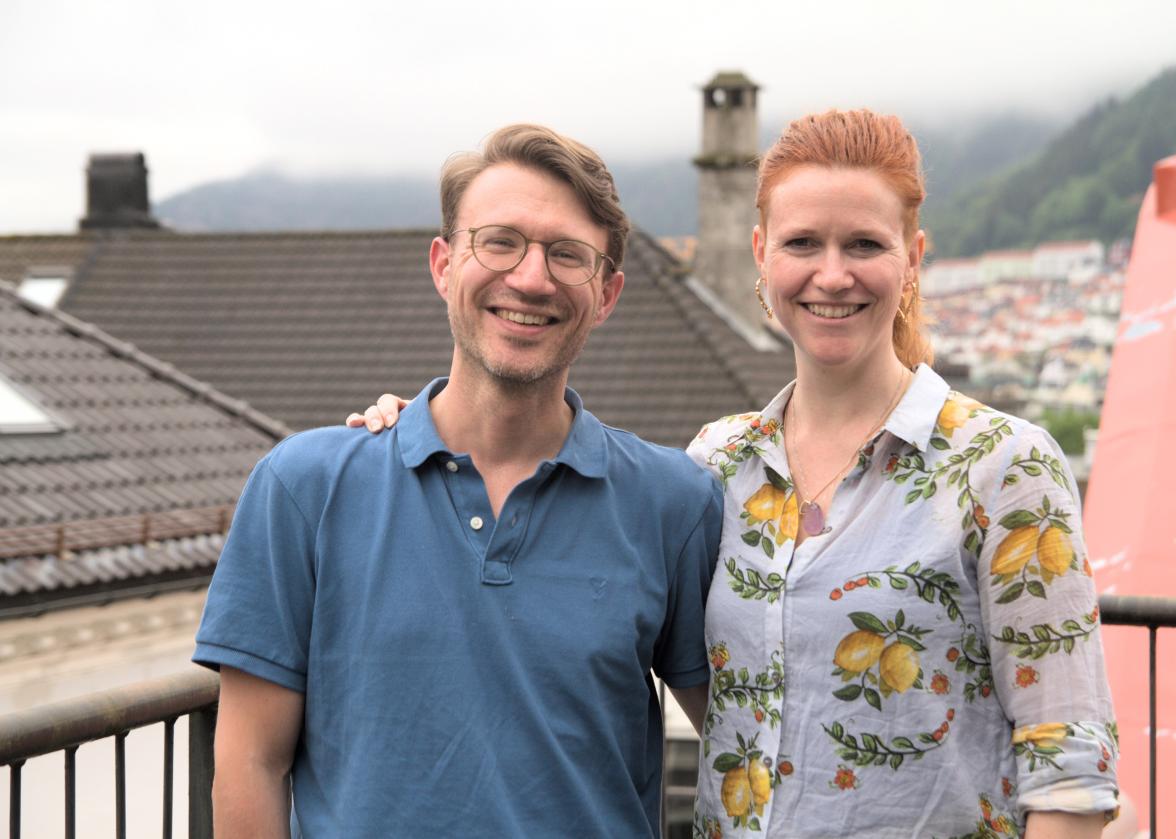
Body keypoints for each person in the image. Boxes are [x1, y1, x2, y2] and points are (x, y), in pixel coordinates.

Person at [354, 109, 1121, 838]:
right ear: (761, 254)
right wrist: (420, 427)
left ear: (913, 258)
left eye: (863, 244)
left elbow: (1071, 770)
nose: (832, 274)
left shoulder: (1004, 468)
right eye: (802, 243)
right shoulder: (718, 466)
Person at [195, 124, 722, 838]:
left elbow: (754, 745)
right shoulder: (303, 488)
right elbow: (251, 764)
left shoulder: (675, 503)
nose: (531, 278)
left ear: (606, 294)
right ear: (444, 265)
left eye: (568, 255)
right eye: (500, 242)